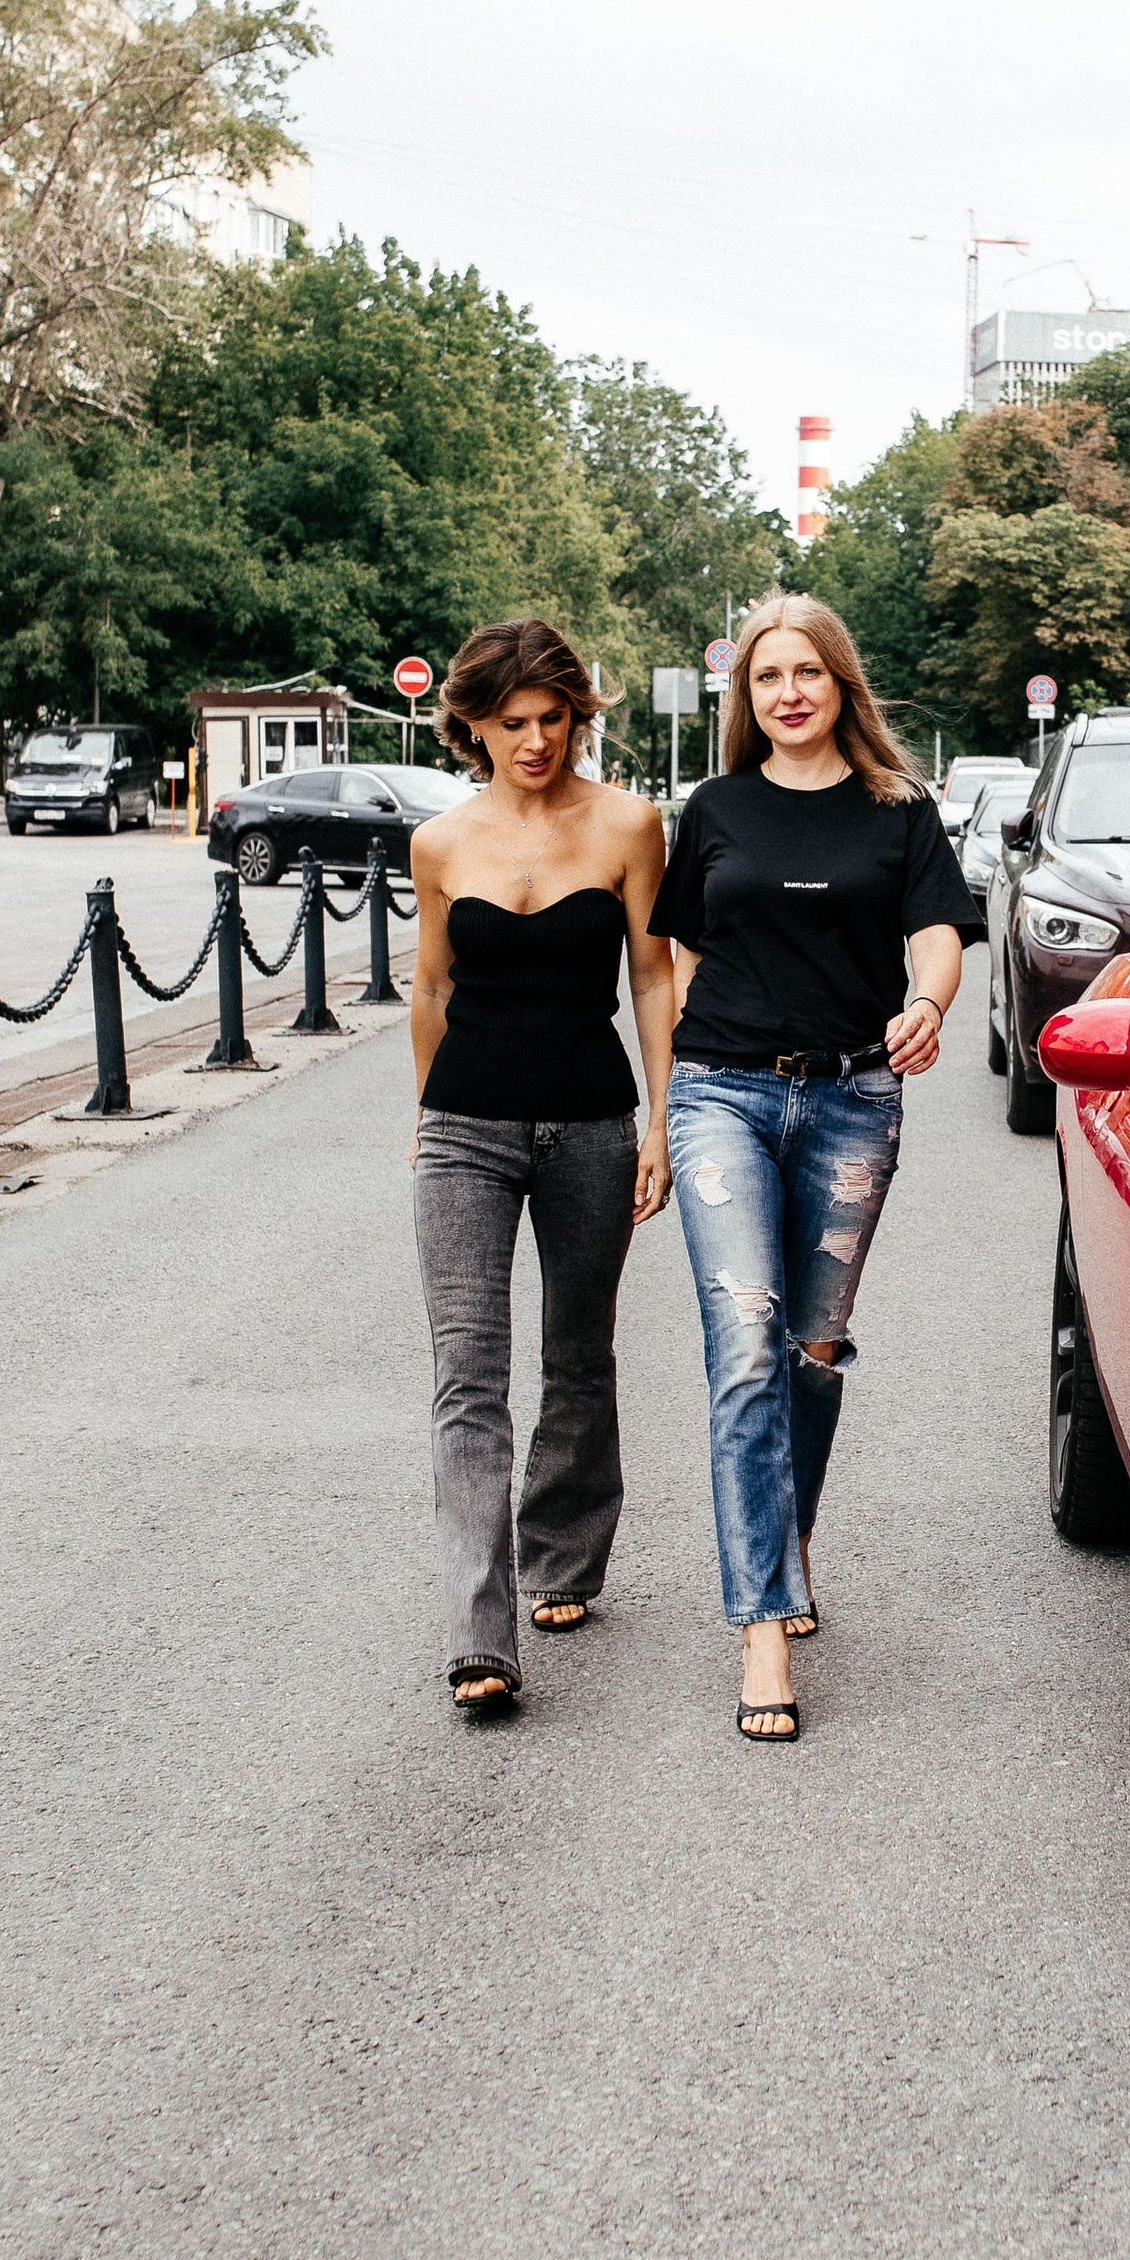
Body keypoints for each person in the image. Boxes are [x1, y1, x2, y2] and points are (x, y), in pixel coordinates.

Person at [651, 592, 976, 1744]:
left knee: (811, 1350)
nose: (787, 693)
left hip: (850, 1102)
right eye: (766, 677)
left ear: (841, 685)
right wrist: (691, 1058)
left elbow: (936, 930)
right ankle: (760, 1628)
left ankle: (782, 1551)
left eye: (807, 674)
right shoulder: (716, 807)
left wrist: (926, 1004)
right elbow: (680, 944)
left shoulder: (899, 809)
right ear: (746, 695)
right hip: (723, 1094)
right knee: (743, 1339)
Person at [409, 618, 674, 1719]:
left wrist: (663, 1123)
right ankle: (482, 1630)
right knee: (468, 1379)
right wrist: (428, 1124)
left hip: (592, 1125)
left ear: (577, 715)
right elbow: (430, 993)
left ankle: (564, 1554)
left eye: (552, 719)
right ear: (473, 725)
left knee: (578, 1357)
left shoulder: (627, 825)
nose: (534, 741)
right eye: (511, 723)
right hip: (464, 1128)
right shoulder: (440, 842)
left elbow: (654, 978)